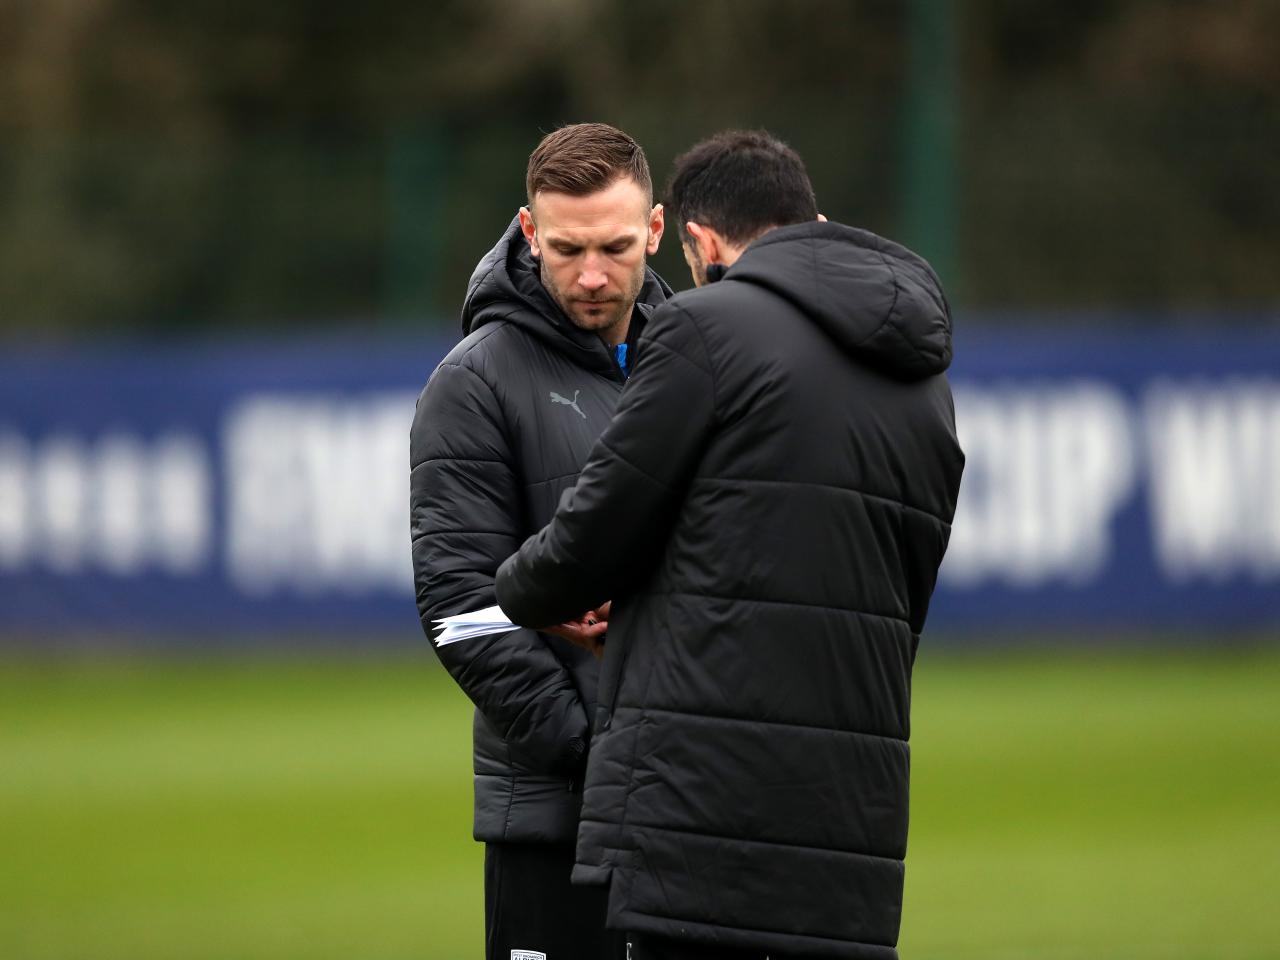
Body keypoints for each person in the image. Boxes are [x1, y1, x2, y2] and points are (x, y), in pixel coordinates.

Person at [494, 130, 965, 960]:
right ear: (812, 220)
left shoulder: (704, 329)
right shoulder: (924, 376)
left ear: (700, 244)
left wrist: (523, 587)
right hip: (853, 825)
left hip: (701, 822)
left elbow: (594, 535)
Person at [409, 123, 669, 960]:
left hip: (693, 813)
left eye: (615, 247)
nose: (592, 274)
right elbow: (460, 613)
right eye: (566, 249)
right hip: (557, 822)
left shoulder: (703, 358)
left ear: (656, 231)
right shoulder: (474, 384)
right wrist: (597, 757)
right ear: (529, 232)